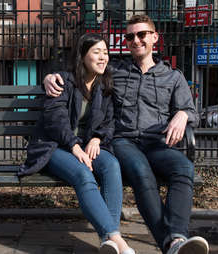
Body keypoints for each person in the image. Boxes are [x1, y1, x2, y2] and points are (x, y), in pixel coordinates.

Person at [43, 15, 209, 254]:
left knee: (184, 168)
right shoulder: (114, 71)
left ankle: (176, 237)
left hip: (158, 143)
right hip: (124, 141)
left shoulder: (173, 77)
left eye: (142, 35)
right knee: (141, 171)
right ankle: (172, 244)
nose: (136, 40)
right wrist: (48, 78)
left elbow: (192, 111)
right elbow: (80, 69)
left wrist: (183, 114)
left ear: (154, 37)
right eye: (130, 36)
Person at [18, 33, 135, 254]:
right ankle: (117, 239)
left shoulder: (105, 84)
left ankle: (108, 240)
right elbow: (55, 120)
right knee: (83, 174)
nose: (103, 58)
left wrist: (96, 138)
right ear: (82, 56)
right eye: (96, 52)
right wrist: (74, 146)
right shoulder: (62, 81)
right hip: (54, 147)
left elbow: (110, 121)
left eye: (105, 52)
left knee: (111, 165)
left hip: (84, 145)